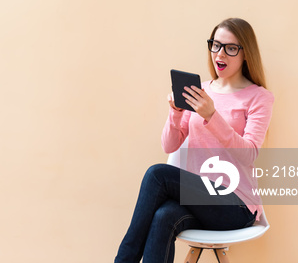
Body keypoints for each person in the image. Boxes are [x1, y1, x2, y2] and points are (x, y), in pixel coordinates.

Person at [114, 18, 274, 263]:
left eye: (230, 48)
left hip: (236, 204)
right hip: (198, 199)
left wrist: (212, 115)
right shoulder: (199, 91)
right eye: (216, 45)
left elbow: (250, 153)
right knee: (163, 216)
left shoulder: (259, 97)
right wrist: (175, 112)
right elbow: (169, 145)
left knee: (157, 174)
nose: (220, 54)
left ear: (245, 53)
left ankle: (123, 260)